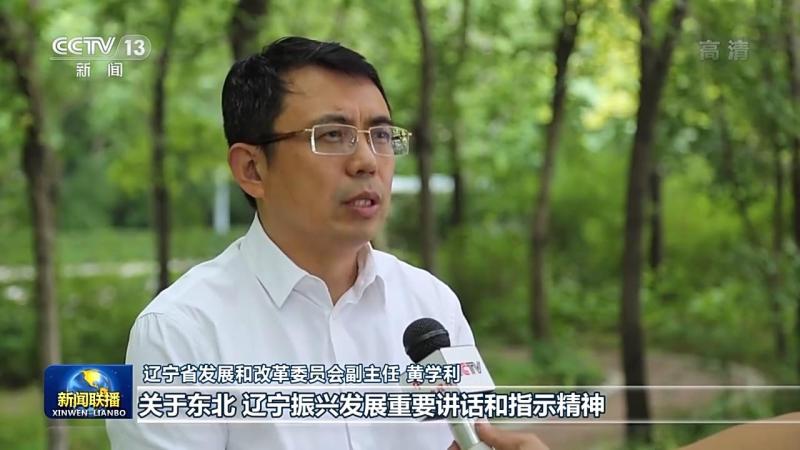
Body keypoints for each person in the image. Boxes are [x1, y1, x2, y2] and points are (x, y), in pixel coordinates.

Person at [105, 36, 481, 449]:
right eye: (332, 135)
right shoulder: (180, 333)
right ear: (252, 169)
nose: (367, 162)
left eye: (380, 135)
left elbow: (479, 436)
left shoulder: (431, 304)